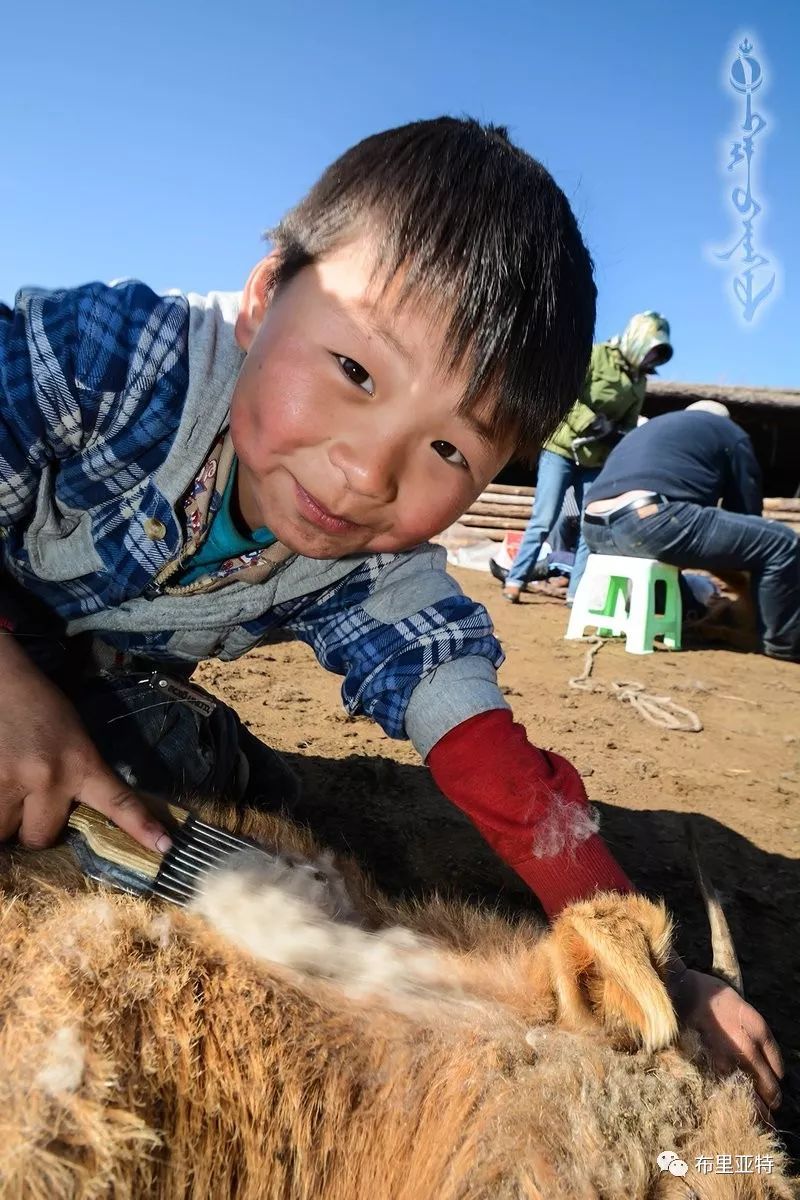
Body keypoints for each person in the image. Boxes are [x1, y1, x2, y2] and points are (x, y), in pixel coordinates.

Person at [0, 118, 781, 1109]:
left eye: (450, 452)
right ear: (261, 298)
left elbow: (487, 756)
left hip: (95, 682)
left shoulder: (382, 572)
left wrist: (637, 954)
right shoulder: (118, 358)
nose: (368, 475)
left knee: (156, 768)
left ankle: (207, 748)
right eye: (356, 373)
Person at [582, 401, 800, 663]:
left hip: (594, 528)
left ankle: (673, 614)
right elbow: (744, 512)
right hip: (650, 521)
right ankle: (783, 646)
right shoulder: (730, 433)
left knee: (672, 552)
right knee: (781, 542)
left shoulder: (654, 429)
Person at [501, 312, 673, 604]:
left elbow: (630, 423)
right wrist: (591, 422)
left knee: (588, 525)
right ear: (638, 340)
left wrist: (619, 435)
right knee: (544, 518)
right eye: (651, 350)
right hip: (562, 448)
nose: (652, 359)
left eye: (657, 355)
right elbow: (565, 395)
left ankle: (576, 593)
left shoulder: (639, 381)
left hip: (596, 460)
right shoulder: (596, 356)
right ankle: (516, 579)